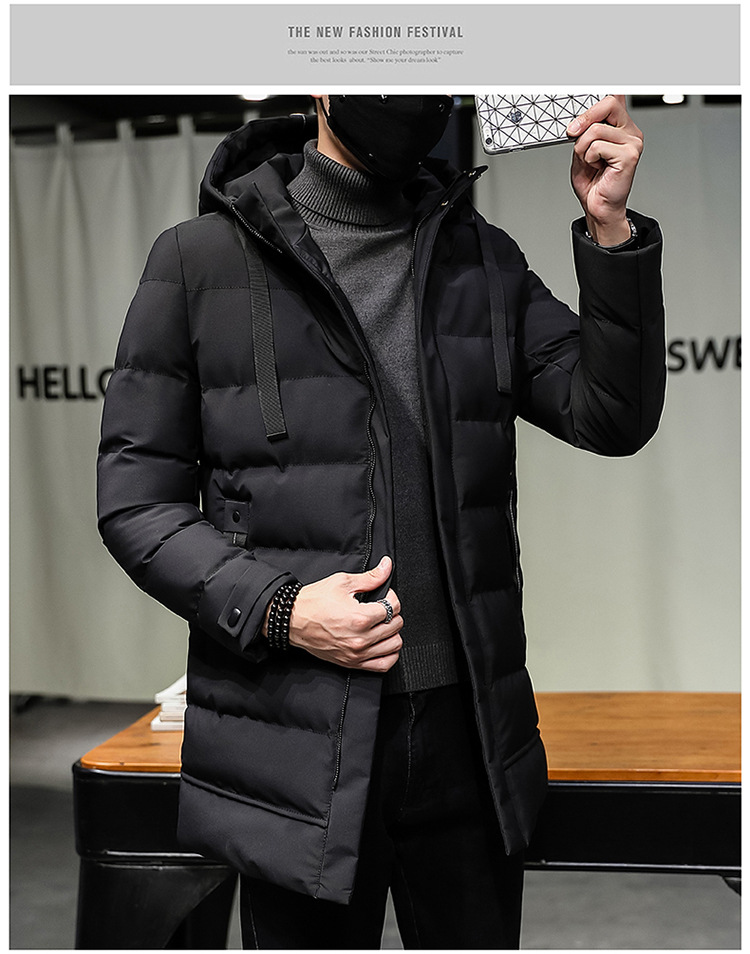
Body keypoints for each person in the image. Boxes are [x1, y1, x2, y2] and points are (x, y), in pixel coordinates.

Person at [97, 93, 666, 949]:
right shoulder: (198, 261)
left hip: (468, 737)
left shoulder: (480, 257)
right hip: (294, 742)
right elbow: (136, 501)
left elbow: (611, 415)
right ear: (321, 85)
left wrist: (610, 232)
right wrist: (282, 609)